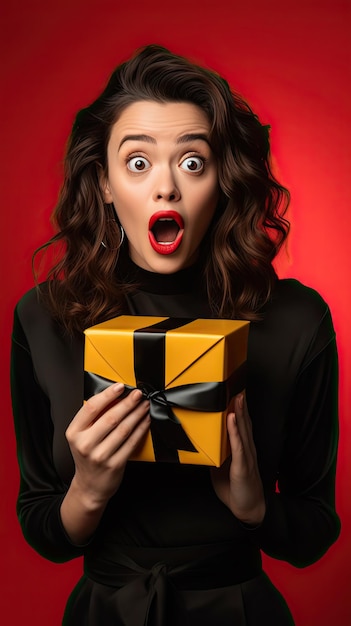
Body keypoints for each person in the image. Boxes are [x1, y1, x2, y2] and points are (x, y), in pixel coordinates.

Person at [11, 44, 340, 626]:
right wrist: (88, 490)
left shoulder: (295, 319)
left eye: (192, 163)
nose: (166, 188)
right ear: (106, 184)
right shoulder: (45, 317)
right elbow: (42, 527)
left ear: (223, 181)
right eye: (138, 163)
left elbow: (314, 531)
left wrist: (253, 507)